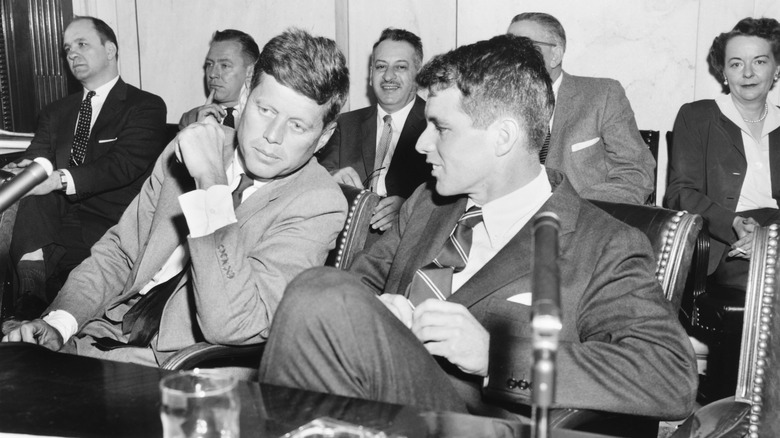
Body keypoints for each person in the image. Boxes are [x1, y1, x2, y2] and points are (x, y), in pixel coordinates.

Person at [259, 34, 697, 420]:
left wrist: (495, 355)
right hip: (379, 406)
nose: (421, 143)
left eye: (440, 127)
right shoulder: (427, 206)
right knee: (320, 293)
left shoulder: (604, 245)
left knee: (315, 291)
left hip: (481, 424)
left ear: (502, 137)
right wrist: (380, 310)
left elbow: (669, 377)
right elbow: (357, 287)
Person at [2, 28, 350, 367]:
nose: (273, 137)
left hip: (180, 368)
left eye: (298, 125)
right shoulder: (186, 147)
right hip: (96, 336)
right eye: (266, 110)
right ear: (244, 98)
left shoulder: (318, 204)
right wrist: (60, 322)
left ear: (323, 137)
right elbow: (120, 253)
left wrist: (210, 184)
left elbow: (232, 324)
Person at [4, 17, 167, 321]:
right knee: (26, 196)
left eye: (82, 45)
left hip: (109, 223)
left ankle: (31, 305)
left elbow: (122, 165)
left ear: (110, 50)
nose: (73, 55)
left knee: (33, 203)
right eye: (67, 50)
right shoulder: (55, 112)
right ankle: (29, 297)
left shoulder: (145, 106)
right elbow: (36, 159)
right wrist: (19, 173)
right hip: (53, 220)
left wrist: (59, 179)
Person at [665, 16, 780, 401]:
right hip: (725, 244)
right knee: (765, 284)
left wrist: (768, 239)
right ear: (724, 71)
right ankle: (733, 403)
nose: (748, 72)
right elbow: (680, 192)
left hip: (775, 233)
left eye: (760, 61)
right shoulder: (698, 117)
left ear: (776, 68)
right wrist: (734, 226)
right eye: (736, 63)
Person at [507, 12, 655, 204]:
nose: (509, 57)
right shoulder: (495, 102)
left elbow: (636, 173)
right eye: (506, 48)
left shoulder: (602, 95)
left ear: (556, 55)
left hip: (583, 220)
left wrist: (573, 210)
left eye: (523, 47)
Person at [317, 28, 430, 232]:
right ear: (371, 75)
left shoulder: (436, 126)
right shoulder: (344, 124)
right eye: (380, 66)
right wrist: (331, 179)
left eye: (401, 67)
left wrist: (407, 209)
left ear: (418, 75)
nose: (388, 76)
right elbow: (316, 176)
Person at [178, 29, 259, 129]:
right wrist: (198, 131)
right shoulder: (191, 119)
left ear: (251, 72)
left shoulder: (266, 119)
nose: (212, 74)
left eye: (224, 65)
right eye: (209, 64)